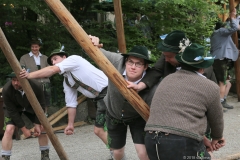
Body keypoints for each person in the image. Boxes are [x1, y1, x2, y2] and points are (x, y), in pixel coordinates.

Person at [19, 44, 112, 158]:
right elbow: (71, 103)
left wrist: (29, 75)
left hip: (110, 92)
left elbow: (52, 70)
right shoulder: (67, 81)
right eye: (51, 61)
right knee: (100, 130)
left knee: (108, 128)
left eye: (55, 59)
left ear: (64, 57)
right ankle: (116, 154)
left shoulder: (74, 59)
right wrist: (70, 124)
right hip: (100, 100)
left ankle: (117, 154)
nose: (53, 63)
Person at [144, 43, 224, 160]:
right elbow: (216, 118)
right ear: (202, 67)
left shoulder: (167, 79)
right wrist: (217, 137)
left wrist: (202, 139)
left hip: (151, 139)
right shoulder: (210, 86)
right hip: (182, 142)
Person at [93, 37, 159, 160]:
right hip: (114, 114)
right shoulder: (117, 61)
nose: (133, 67)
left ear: (145, 67)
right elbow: (92, 51)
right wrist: (91, 41)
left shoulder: (152, 84)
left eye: (138, 64)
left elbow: (154, 112)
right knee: (117, 153)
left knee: (143, 154)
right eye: (130, 62)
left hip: (137, 117)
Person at [1, 72, 50, 160]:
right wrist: (24, 129)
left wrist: (37, 123)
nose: (15, 83)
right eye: (13, 80)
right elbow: (12, 111)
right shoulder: (6, 89)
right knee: (9, 129)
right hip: (14, 109)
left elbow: (42, 105)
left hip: (32, 107)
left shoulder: (36, 86)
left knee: (43, 127)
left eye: (18, 80)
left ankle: (45, 155)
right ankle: (5, 157)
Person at [210, 8, 240, 110]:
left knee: (228, 82)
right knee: (222, 82)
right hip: (220, 60)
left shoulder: (216, 34)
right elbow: (234, 28)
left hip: (219, 59)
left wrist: (236, 18)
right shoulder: (221, 31)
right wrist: (232, 17)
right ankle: (217, 107)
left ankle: (223, 101)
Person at [20, 40, 51, 116]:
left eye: (36, 47)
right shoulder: (24, 58)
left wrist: (45, 74)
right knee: (33, 99)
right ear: (30, 47)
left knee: (46, 99)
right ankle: (35, 116)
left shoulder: (45, 58)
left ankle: (45, 114)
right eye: (32, 47)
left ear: (39, 47)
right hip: (32, 82)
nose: (34, 48)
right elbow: (21, 70)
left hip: (45, 82)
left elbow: (51, 69)